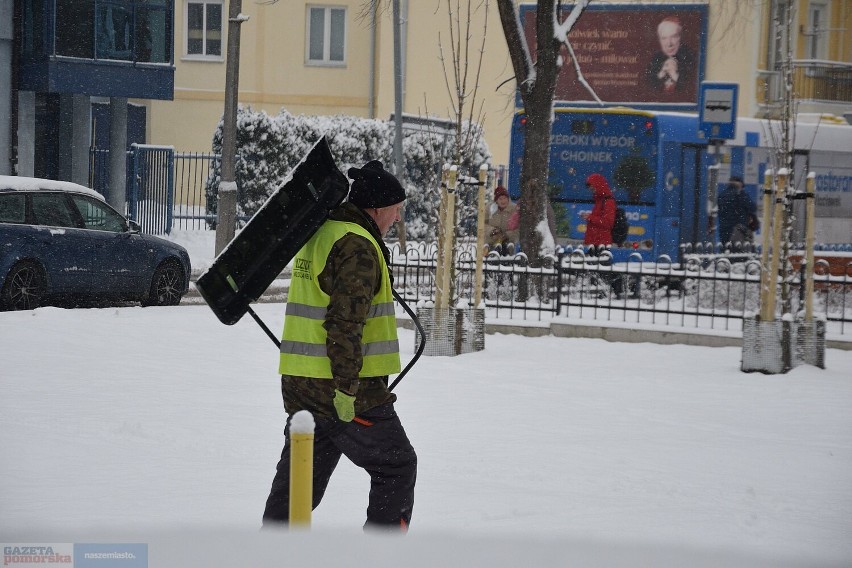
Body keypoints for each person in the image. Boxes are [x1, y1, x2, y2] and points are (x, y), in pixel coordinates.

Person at [263, 159, 417, 531]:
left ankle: (268, 554)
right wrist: (346, 389)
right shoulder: (357, 245)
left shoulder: (322, 233)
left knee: (299, 483)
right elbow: (345, 323)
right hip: (344, 388)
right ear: (377, 208)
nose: (396, 219)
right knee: (396, 464)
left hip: (303, 382)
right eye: (396, 211)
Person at [645, 16, 695, 94]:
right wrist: (660, 75)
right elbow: (645, 91)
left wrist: (675, 75)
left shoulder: (691, 57)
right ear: (659, 40)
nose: (669, 43)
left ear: (680, 37)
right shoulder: (655, 59)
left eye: (674, 37)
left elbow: (692, 91)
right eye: (664, 38)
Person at [717, 175, 757, 248]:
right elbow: (753, 207)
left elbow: (719, 210)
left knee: (725, 250)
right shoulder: (741, 195)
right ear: (740, 184)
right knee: (739, 252)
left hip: (724, 229)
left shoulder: (722, 195)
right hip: (738, 230)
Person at [582, 173, 616, 255]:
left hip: (601, 243)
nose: (591, 189)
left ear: (598, 185)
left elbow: (608, 223)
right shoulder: (600, 200)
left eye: (592, 186)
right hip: (596, 242)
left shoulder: (608, 201)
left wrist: (590, 217)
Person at [486, 185, 519, 255]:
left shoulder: (515, 209)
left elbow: (519, 228)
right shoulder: (489, 208)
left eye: (505, 198)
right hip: (491, 243)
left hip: (509, 244)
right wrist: (492, 231)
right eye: (500, 199)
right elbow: (482, 225)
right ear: (496, 200)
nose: (503, 201)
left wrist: (507, 235)